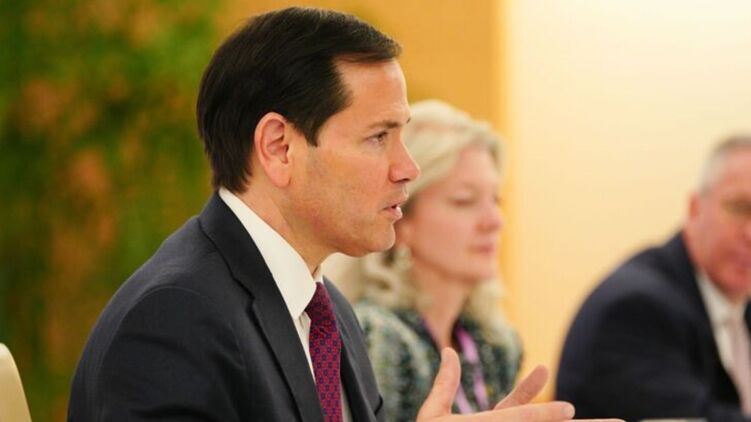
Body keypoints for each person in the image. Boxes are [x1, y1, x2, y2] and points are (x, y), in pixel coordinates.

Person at [68, 6, 620, 422]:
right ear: (279, 147)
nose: (407, 168)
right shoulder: (177, 315)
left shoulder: (328, 313)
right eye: (378, 137)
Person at [325, 99, 521, 421]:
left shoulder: (496, 344)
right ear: (401, 218)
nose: (494, 221)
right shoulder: (377, 337)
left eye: (496, 200)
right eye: (464, 201)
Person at [556, 135, 751, 421]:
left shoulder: (739, 302)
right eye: (739, 208)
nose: (749, 233)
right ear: (695, 209)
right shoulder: (635, 309)